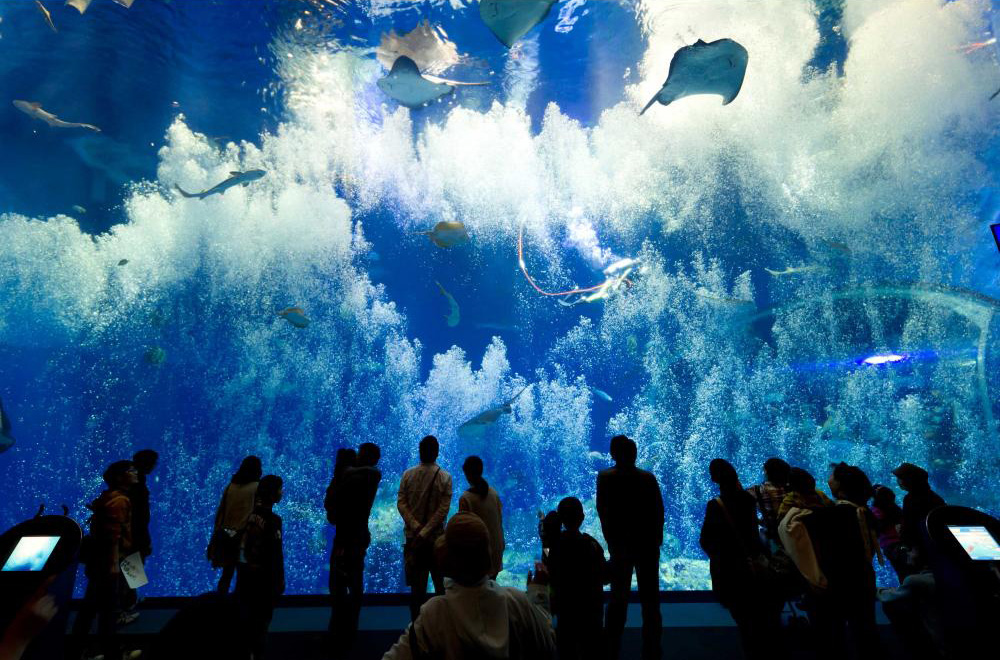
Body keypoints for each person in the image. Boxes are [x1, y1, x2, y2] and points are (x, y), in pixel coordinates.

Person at [381, 512, 557, 659]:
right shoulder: (516, 602)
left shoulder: (435, 614)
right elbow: (549, 645)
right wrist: (539, 593)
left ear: (445, 560)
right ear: (488, 555)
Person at [699, 459, 783, 660]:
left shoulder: (715, 504)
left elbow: (706, 539)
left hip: (730, 571)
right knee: (760, 619)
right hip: (752, 567)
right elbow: (754, 534)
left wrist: (718, 556)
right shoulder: (748, 500)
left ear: (714, 478)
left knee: (745, 623)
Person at [803, 463, 881, 660]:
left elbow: (804, 527)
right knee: (865, 631)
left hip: (837, 585)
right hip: (863, 579)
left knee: (831, 638)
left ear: (841, 485)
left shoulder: (834, 514)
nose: (828, 479)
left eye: (832, 476)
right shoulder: (864, 512)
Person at [596, 435, 664, 660]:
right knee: (650, 599)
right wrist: (655, 542)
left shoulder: (605, 478)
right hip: (647, 547)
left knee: (618, 599)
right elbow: (658, 512)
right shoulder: (648, 478)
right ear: (634, 454)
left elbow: (603, 512)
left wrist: (612, 543)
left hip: (621, 547)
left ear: (613, 454)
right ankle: (653, 648)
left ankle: (611, 647)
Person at [72, 460, 139, 660]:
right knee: (108, 611)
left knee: (90, 608)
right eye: (131, 470)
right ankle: (113, 654)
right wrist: (113, 565)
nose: (135, 473)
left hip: (99, 562)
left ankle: (78, 651)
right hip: (110, 563)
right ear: (119, 477)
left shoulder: (107, 497)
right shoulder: (120, 501)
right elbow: (113, 536)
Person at [329, 442, 382, 659]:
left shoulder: (362, 475)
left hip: (348, 539)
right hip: (354, 538)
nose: (356, 456)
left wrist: (343, 470)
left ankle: (342, 634)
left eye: (360, 454)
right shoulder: (362, 475)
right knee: (349, 585)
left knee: (344, 586)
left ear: (366, 456)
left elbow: (331, 508)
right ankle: (346, 632)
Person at [397, 435, 452, 621]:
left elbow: (401, 504)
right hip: (437, 541)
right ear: (437, 453)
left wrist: (416, 527)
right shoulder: (445, 477)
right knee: (441, 588)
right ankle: (443, 629)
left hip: (414, 541)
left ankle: (416, 629)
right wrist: (427, 530)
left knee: (417, 591)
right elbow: (443, 510)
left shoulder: (407, 474)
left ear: (420, 452)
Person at [547, 497, 608, 660]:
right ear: (582, 517)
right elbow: (605, 577)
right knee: (592, 650)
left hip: (566, 611)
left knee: (566, 650)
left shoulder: (554, 547)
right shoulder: (592, 545)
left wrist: (546, 540)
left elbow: (548, 568)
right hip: (591, 612)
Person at [235, 474, 285, 660]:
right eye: (280, 489)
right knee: (261, 621)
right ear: (272, 494)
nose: (282, 492)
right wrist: (279, 579)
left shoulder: (249, 515)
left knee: (245, 619)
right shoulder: (273, 520)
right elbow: (275, 554)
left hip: (246, 577)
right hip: (264, 581)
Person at [209, 455, 261, 594]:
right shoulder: (257, 487)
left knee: (227, 574)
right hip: (244, 537)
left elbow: (220, 513)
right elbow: (257, 514)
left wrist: (214, 536)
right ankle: (240, 608)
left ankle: (220, 605)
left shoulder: (230, 486)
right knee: (244, 575)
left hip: (226, 535)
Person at [120, 449, 158, 625]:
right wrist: (145, 539)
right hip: (134, 535)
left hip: (132, 534)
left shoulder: (133, 482)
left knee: (133, 566)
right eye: (153, 463)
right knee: (132, 566)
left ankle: (130, 599)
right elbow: (139, 516)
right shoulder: (137, 483)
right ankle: (124, 608)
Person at [457, 456, 504, 580]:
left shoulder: (466, 498)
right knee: (491, 587)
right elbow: (499, 520)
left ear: (466, 474)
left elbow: (463, 529)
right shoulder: (493, 493)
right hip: (496, 550)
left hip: (480, 556)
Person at [893, 462, 945, 571]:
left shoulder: (910, 499)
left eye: (900, 478)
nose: (898, 482)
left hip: (921, 551)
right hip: (937, 548)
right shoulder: (936, 498)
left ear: (909, 480)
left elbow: (910, 525)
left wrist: (909, 545)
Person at [746, 457, 790, 543]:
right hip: (793, 532)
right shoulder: (792, 488)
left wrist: (758, 521)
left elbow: (739, 499)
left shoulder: (757, 490)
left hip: (774, 536)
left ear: (766, 472)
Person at [871, 484, 907, 580]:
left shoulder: (875, 511)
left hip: (889, 545)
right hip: (903, 543)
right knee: (908, 570)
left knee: (901, 571)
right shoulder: (896, 509)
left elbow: (877, 529)